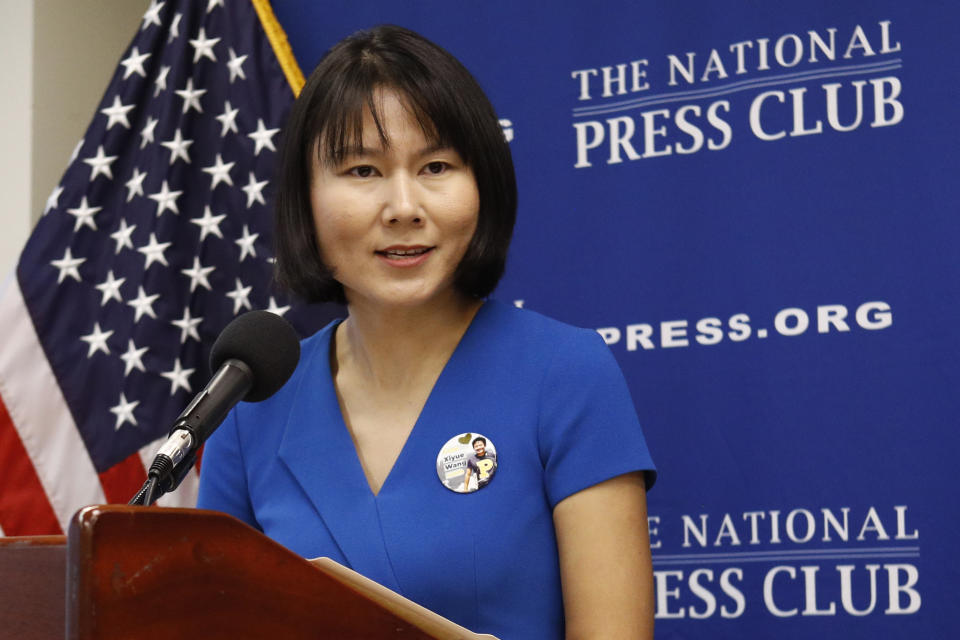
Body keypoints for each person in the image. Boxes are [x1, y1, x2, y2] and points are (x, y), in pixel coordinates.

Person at [198, 25, 656, 640]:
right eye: (363, 171)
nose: (404, 206)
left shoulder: (566, 373)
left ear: (482, 186)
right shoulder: (251, 400)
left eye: (436, 166)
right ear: (305, 202)